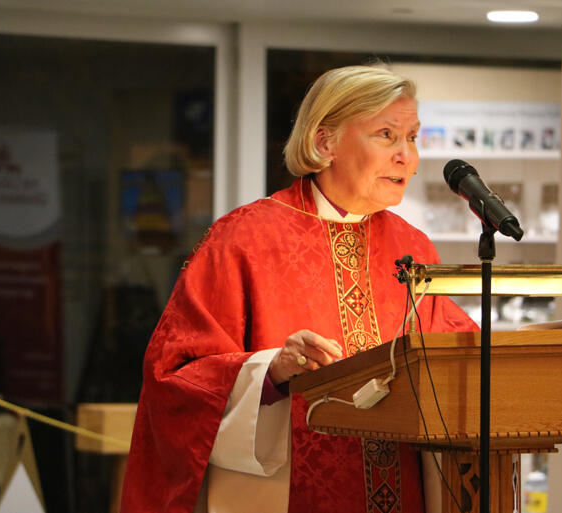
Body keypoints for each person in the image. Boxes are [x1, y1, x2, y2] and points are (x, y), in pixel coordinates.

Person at [120, 65, 476, 513]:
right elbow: (174, 373)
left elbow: (457, 356)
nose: (406, 156)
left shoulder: (412, 247)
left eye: (412, 137)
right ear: (324, 143)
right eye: (386, 135)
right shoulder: (245, 238)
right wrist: (270, 371)